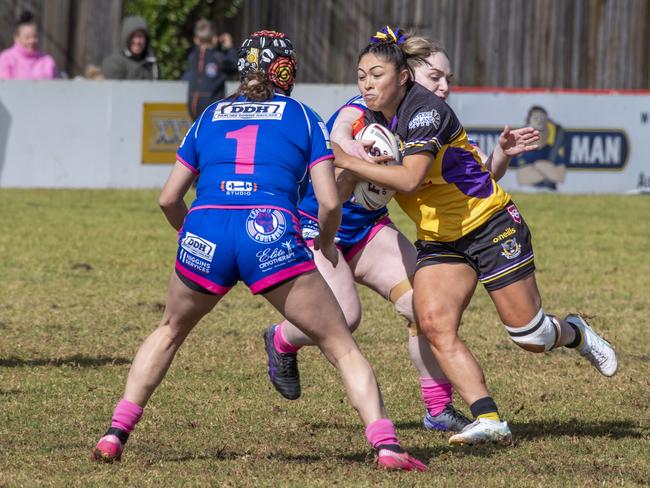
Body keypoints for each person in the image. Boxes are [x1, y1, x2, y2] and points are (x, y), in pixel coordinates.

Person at [91, 30, 425, 472]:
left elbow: (168, 199)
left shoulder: (209, 115)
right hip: (266, 231)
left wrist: (188, 235)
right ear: (287, 72)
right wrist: (325, 246)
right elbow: (328, 202)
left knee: (170, 330)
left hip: (207, 228)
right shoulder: (303, 118)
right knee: (341, 344)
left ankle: (115, 433)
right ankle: (386, 447)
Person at [331, 26, 617, 446]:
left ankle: (573, 331)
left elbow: (409, 180)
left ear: (402, 77)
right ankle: (489, 419)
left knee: (531, 337)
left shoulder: (427, 111)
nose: (367, 84)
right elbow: (342, 133)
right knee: (433, 324)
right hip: (440, 240)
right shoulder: (369, 116)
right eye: (361, 76)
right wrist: (342, 158)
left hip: (490, 224)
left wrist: (349, 162)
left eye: (376, 75)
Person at [263, 33, 540, 434]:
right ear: (407, 75)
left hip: (369, 229)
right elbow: (337, 133)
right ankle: (282, 340)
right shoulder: (366, 107)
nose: (443, 87)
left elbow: (473, 177)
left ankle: (438, 408)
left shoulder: (425, 117)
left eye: (448, 79)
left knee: (421, 308)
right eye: (436, 77)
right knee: (344, 317)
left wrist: (501, 156)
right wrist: (353, 151)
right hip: (321, 226)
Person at [185, 19, 238, 120]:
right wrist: (229, 48)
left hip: (193, 107)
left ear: (196, 39)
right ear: (214, 39)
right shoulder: (218, 58)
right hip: (212, 108)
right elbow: (236, 66)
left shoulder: (192, 57)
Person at [513, 106, 566, 191]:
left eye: (542, 119)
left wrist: (541, 167)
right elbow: (521, 176)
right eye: (535, 119)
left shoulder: (551, 151)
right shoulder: (521, 151)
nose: (539, 122)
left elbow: (560, 177)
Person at [0, 11, 57, 80]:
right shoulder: (6, 59)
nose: (32, 41)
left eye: (35, 37)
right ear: (16, 38)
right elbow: (5, 86)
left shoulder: (47, 60)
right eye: (27, 38)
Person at [102, 16, 159, 80]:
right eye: (133, 36)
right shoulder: (113, 64)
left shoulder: (151, 63)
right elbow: (113, 89)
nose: (137, 41)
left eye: (140, 36)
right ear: (125, 38)